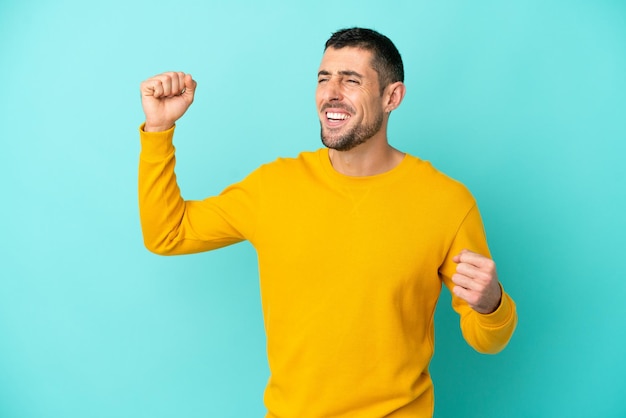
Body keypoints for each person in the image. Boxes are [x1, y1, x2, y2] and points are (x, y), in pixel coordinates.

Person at [138, 27, 517, 418]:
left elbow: (486, 340)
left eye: (351, 80)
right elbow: (168, 234)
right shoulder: (275, 187)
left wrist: (492, 305)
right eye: (324, 79)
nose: (331, 92)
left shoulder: (448, 203)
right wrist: (158, 130)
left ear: (393, 97)